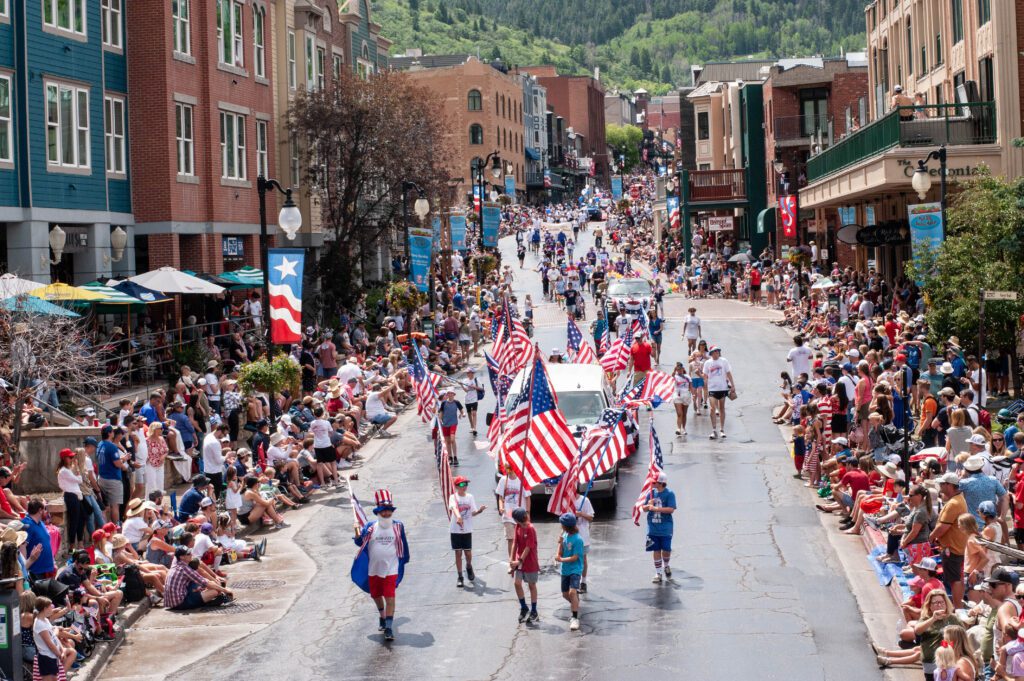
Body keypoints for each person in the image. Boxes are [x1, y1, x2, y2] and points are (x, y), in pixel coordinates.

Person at [351, 489, 410, 642]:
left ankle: (389, 627)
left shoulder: (398, 526)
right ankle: (382, 616)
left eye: (389, 511)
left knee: (390, 596)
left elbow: (403, 543)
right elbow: (360, 543)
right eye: (383, 511)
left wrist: (405, 559)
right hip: (374, 568)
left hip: (391, 567)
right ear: (378, 511)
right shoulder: (370, 527)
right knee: (376, 595)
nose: (386, 514)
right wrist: (357, 534)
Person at [931, 472, 969, 609]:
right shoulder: (958, 499)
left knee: (955, 580)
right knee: (956, 578)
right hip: (955, 546)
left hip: (952, 548)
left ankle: (958, 608)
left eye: (942, 484)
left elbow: (943, 527)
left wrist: (931, 537)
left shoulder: (954, 503)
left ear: (949, 485)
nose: (940, 486)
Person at [164, 546, 233, 610]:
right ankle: (211, 600)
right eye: (188, 554)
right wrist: (225, 590)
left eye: (190, 552)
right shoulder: (185, 569)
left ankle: (212, 597)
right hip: (180, 603)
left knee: (210, 585)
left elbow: (203, 578)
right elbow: (206, 583)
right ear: (182, 557)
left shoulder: (176, 562)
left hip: (171, 602)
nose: (191, 554)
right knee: (214, 591)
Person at [448, 476, 486, 588]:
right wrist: (458, 517)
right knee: (458, 553)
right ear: (456, 486)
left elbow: (472, 512)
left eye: (465, 484)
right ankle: (460, 576)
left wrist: (479, 511)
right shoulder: (453, 497)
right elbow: (454, 508)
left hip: (467, 529)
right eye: (461, 484)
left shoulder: (470, 497)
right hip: (455, 529)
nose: (464, 486)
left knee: (468, 553)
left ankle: (469, 566)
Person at [32, 596, 76, 681]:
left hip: (52, 655)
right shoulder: (39, 624)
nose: (52, 609)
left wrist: (62, 650)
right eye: (50, 607)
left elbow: (54, 638)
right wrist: (60, 654)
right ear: (45, 609)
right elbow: (50, 643)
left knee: (55, 678)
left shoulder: (45, 620)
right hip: (46, 657)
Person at [554, 512, 584, 632]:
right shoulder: (565, 535)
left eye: (562, 524)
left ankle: (575, 618)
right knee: (565, 594)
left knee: (572, 592)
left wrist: (561, 559)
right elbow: (560, 552)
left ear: (566, 525)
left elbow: (575, 557)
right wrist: (560, 544)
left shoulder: (577, 539)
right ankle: (575, 603)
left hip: (575, 569)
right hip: (565, 570)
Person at [644, 472, 676, 583]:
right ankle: (658, 573)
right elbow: (643, 508)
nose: (652, 483)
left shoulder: (669, 494)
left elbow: (671, 509)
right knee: (655, 549)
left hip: (665, 528)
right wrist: (648, 505)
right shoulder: (651, 493)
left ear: (661, 483)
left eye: (654, 482)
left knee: (666, 550)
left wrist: (655, 509)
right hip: (652, 527)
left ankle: (666, 565)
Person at [509, 507, 539, 623]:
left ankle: (534, 611)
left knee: (531, 585)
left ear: (517, 520)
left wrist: (519, 561)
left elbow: (528, 547)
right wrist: (511, 560)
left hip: (529, 560)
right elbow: (515, 543)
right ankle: (524, 608)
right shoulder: (518, 527)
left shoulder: (530, 529)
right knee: (517, 583)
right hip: (519, 561)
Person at [495, 467, 531, 557]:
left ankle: (521, 559)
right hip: (508, 515)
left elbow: (527, 498)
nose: (509, 469)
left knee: (522, 539)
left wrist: (527, 513)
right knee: (511, 539)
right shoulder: (503, 480)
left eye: (511, 467)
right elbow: (500, 496)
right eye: (507, 467)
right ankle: (512, 560)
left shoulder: (522, 480)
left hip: (520, 515)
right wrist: (501, 507)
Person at [702, 346, 736, 440]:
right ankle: (713, 430)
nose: (717, 353)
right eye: (715, 351)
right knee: (712, 408)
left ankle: (722, 429)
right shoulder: (707, 363)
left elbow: (728, 373)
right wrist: (704, 383)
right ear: (711, 353)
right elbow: (705, 375)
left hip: (722, 388)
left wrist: (732, 385)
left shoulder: (724, 361)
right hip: (712, 388)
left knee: (722, 408)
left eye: (718, 351)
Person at [24, 498, 55, 580]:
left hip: (46, 569)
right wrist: (24, 567)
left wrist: (53, 561)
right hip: (36, 571)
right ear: (40, 510)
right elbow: (22, 547)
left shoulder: (40, 522)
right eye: (45, 509)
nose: (46, 512)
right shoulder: (27, 524)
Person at [574, 495, 595, 594]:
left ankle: (583, 582)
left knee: (582, 559)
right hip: (570, 536)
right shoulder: (566, 500)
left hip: (582, 536)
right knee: (572, 559)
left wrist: (581, 514)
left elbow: (591, 517)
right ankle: (574, 582)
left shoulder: (585, 500)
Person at [438, 389, 465, 466]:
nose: (450, 395)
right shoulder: (443, 403)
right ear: (447, 395)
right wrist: (440, 419)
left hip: (453, 423)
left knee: (452, 439)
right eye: (448, 393)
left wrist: (462, 414)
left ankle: (455, 456)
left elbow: (462, 410)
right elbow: (441, 412)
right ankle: (450, 457)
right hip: (445, 424)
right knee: (448, 441)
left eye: (451, 393)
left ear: (454, 394)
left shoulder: (456, 402)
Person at [461, 368, 484, 437]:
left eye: (470, 373)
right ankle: (472, 426)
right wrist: (462, 385)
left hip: (474, 399)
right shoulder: (465, 380)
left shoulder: (477, 380)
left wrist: (475, 387)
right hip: (467, 399)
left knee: (474, 413)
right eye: (468, 373)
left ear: (473, 373)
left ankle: (474, 428)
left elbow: (482, 389)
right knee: (469, 413)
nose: (469, 374)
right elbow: (466, 390)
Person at [672, 362, 692, 436]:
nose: (679, 370)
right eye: (678, 369)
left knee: (684, 413)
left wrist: (693, 394)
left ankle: (683, 428)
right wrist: (674, 371)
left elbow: (690, 386)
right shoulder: (675, 376)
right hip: (677, 395)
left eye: (680, 369)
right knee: (679, 413)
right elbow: (671, 376)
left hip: (686, 395)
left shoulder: (687, 376)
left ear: (683, 369)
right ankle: (678, 428)